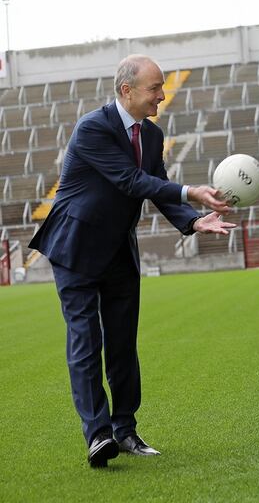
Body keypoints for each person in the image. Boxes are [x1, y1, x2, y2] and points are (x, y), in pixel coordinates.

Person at [29, 55, 236, 468]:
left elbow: (156, 186)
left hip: (119, 250)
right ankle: (98, 434)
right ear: (127, 90)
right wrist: (192, 191)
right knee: (86, 341)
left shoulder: (153, 135)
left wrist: (193, 221)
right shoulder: (93, 127)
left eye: (162, 88)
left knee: (123, 344)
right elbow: (130, 180)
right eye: (154, 88)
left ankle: (125, 430)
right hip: (76, 248)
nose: (162, 95)